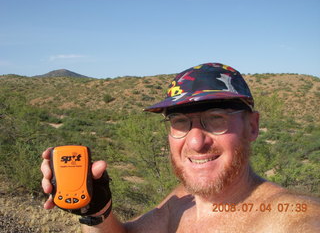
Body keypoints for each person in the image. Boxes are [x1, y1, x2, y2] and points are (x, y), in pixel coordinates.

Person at [41, 63, 320, 232]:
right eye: (180, 121)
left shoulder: (291, 216)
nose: (196, 142)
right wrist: (96, 211)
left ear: (252, 127)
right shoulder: (183, 201)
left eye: (216, 119)